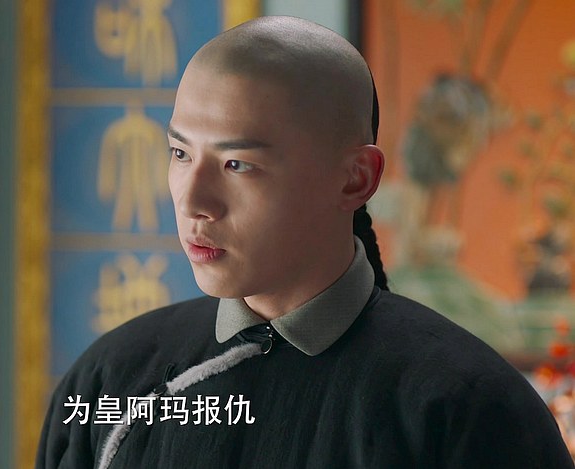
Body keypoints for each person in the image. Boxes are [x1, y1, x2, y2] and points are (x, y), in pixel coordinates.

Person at [36, 16, 573, 468]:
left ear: (355, 179)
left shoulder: (467, 407)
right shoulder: (110, 382)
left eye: (237, 164)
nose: (193, 200)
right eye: (180, 154)